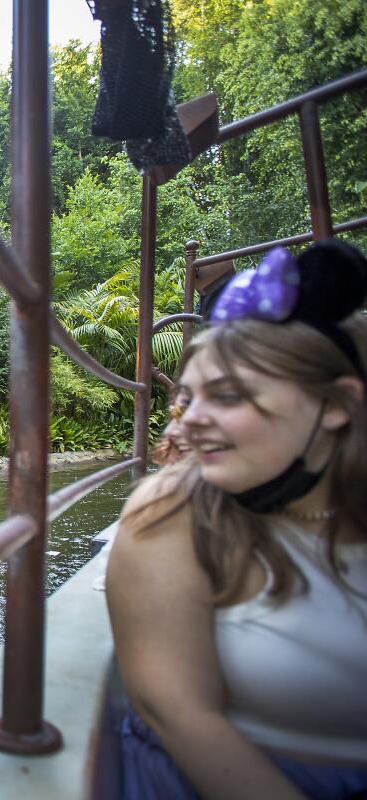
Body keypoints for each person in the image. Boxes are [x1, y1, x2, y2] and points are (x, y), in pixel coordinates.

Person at [107, 240, 367, 799]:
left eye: (227, 397)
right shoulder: (174, 508)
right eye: (188, 399)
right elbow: (173, 709)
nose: (188, 422)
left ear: (338, 405)